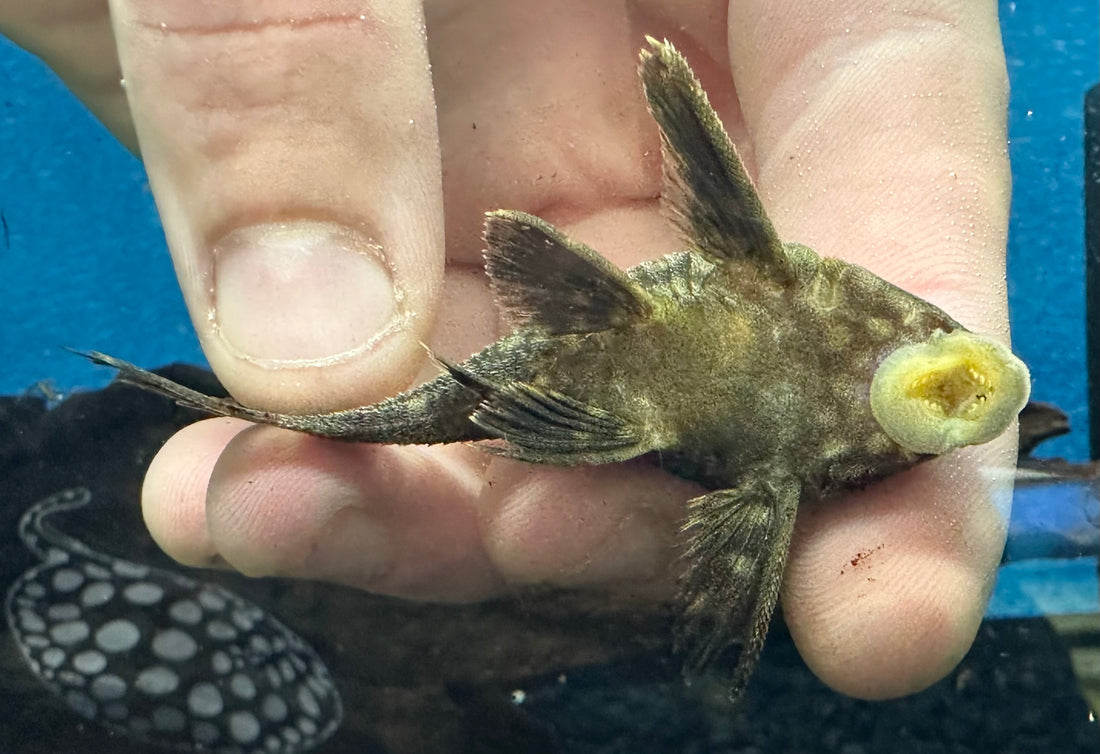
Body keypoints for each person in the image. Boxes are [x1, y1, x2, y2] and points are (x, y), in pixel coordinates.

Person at [1, 1, 1018, 701]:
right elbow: (735, 236)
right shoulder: (767, 281)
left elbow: (747, 516)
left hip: (618, 374)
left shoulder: (776, 388)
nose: (966, 385)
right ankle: (270, 415)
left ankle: (265, 415)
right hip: (612, 347)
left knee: (874, 617)